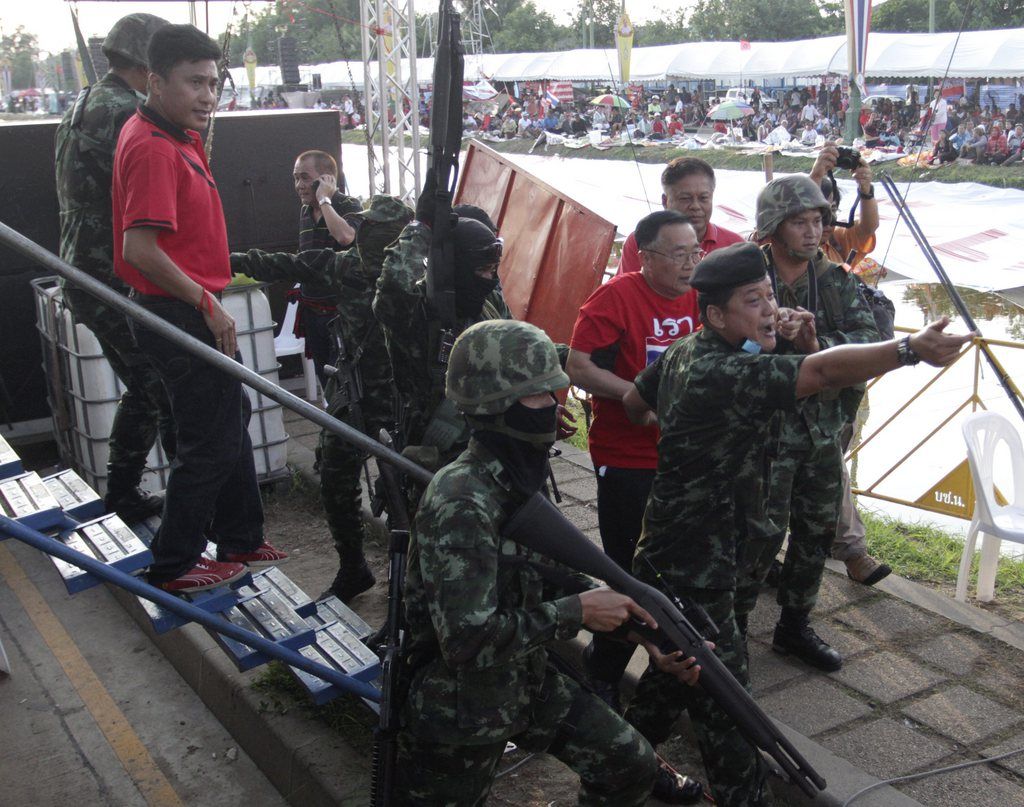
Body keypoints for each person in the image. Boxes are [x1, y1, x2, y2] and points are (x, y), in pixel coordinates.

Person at [622, 240, 972, 807]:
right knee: (726, 702)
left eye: (769, 296)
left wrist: (682, 426)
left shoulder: (688, 352)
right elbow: (822, 370)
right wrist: (909, 348)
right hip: (695, 564)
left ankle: (619, 766)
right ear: (714, 315)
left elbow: (639, 403)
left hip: (697, 552)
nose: (768, 310)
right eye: (752, 301)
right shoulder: (721, 370)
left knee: (672, 673)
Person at [395, 318, 704, 806]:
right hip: (459, 704)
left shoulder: (518, 476)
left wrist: (644, 631)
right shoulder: (462, 499)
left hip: (526, 677)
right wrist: (578, 612)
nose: (554, 406)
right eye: (540, 396)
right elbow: (466, 642)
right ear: (498, 406)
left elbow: (543, 578)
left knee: (631, 766)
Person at [113, 24, 286, 592]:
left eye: (213, 82)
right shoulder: (153, 147)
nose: (208, 95)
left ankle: (239, 536)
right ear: (156, 81)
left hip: (189, 305)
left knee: (230, 416)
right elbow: (138, 247)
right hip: (176, 310)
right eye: (193, 82)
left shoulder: (178, 136)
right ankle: (175, 563)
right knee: (207, 441)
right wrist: (206, 302)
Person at [231, 196, 412, 602]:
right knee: (333, 472)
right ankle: (353, 566)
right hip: (357, 398)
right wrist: (225, 259)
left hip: (406, 405)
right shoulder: (345, 266)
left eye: (369, 230)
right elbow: (283, 264)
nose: (359, 236)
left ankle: (414, 580)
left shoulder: (417, 280)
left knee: (407, 494)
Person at [567, 210, 703, 713]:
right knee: (628, 573)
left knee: (683, 570)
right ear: (645, 257)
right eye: (677, 255)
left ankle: (678, 668)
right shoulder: (616, 297)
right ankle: (601, 677)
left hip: (689, 459)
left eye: (696, 253)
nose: (689, 265)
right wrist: (639, 400)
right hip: (628, 457)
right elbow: (578, 366)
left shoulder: (705, 297)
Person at [754, 175, 881, 672]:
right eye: (799, 222)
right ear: (773, 227)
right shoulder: (745, 277)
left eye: (817, 222)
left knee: (812, 534)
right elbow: (712, 339)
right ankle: (729, 625)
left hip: (818, 434)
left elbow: (866, 343)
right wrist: (765, 333)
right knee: (752, 535)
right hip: (757, 436)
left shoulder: (837, 282)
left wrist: (814, 345)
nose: (812, 233)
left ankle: (794, 625)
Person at [54, 12, 174, 523]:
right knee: (161, 384)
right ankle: (198, 504)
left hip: (89, 265)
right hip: (114, 270)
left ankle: (124, 492)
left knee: (145, 386)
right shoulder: (127, 113)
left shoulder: (85, 101)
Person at [291, 150, 361, 387]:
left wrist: (325, 199)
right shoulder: (305, 210)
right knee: (324, 375)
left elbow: (345, 236)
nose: (299, 185)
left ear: (327, 178)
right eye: (296, 178)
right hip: (312, 310)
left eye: (305, 177)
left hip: (340, 313)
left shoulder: (348, 204)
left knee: (342, 379)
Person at [617, 157, 743, 275]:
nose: (695, 206)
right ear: (665, 201)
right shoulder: (641, 242)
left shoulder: (734, 245)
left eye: (703, 198)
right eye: (685, 198)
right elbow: (628, 293)